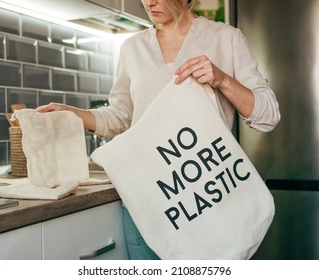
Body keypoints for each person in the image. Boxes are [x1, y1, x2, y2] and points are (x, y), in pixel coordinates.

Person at [37, 0, 280, 259]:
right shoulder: (132, 48)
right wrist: (73, 114)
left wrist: (222, 79)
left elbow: (268, 116)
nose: (149, 3)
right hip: (150, 200)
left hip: (212, 197)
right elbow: (120, 117)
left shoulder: (226, 39)